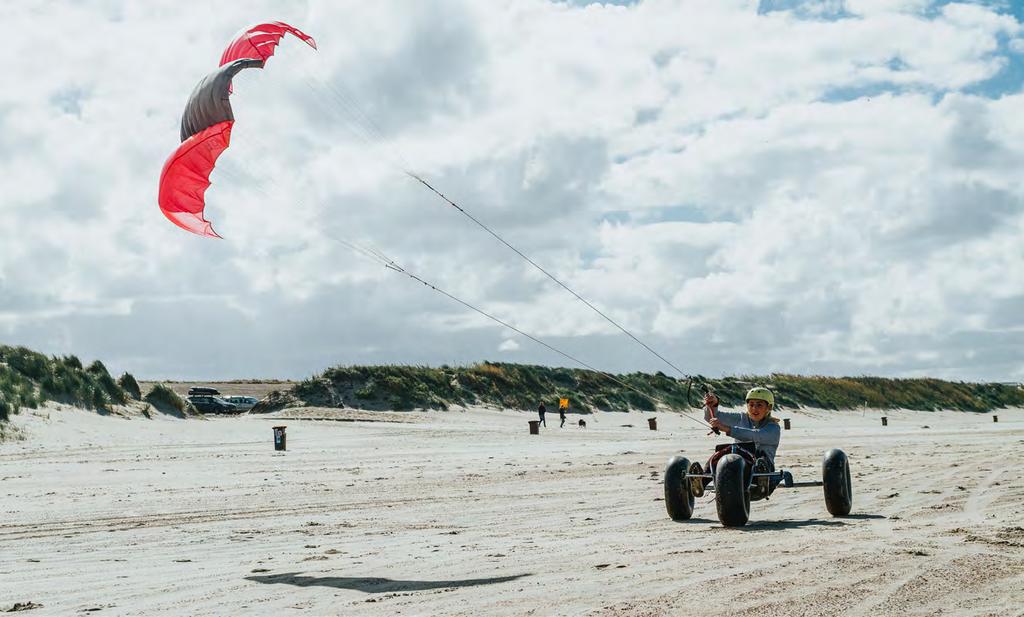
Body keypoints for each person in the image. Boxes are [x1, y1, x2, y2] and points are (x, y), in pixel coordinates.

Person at [703, 386, 781, 467]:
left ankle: (761, 474)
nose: (754, 408)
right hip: (738, 458)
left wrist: (728, 429)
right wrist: (714, 403)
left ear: (769, 407)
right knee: (721, 454)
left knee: (760, 461)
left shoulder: (774, 427)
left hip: (763, 465)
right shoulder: (741, 418)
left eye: (759, 405)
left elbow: (755, 435)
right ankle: (702, 476)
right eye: (751, 404)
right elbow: (712, 417)